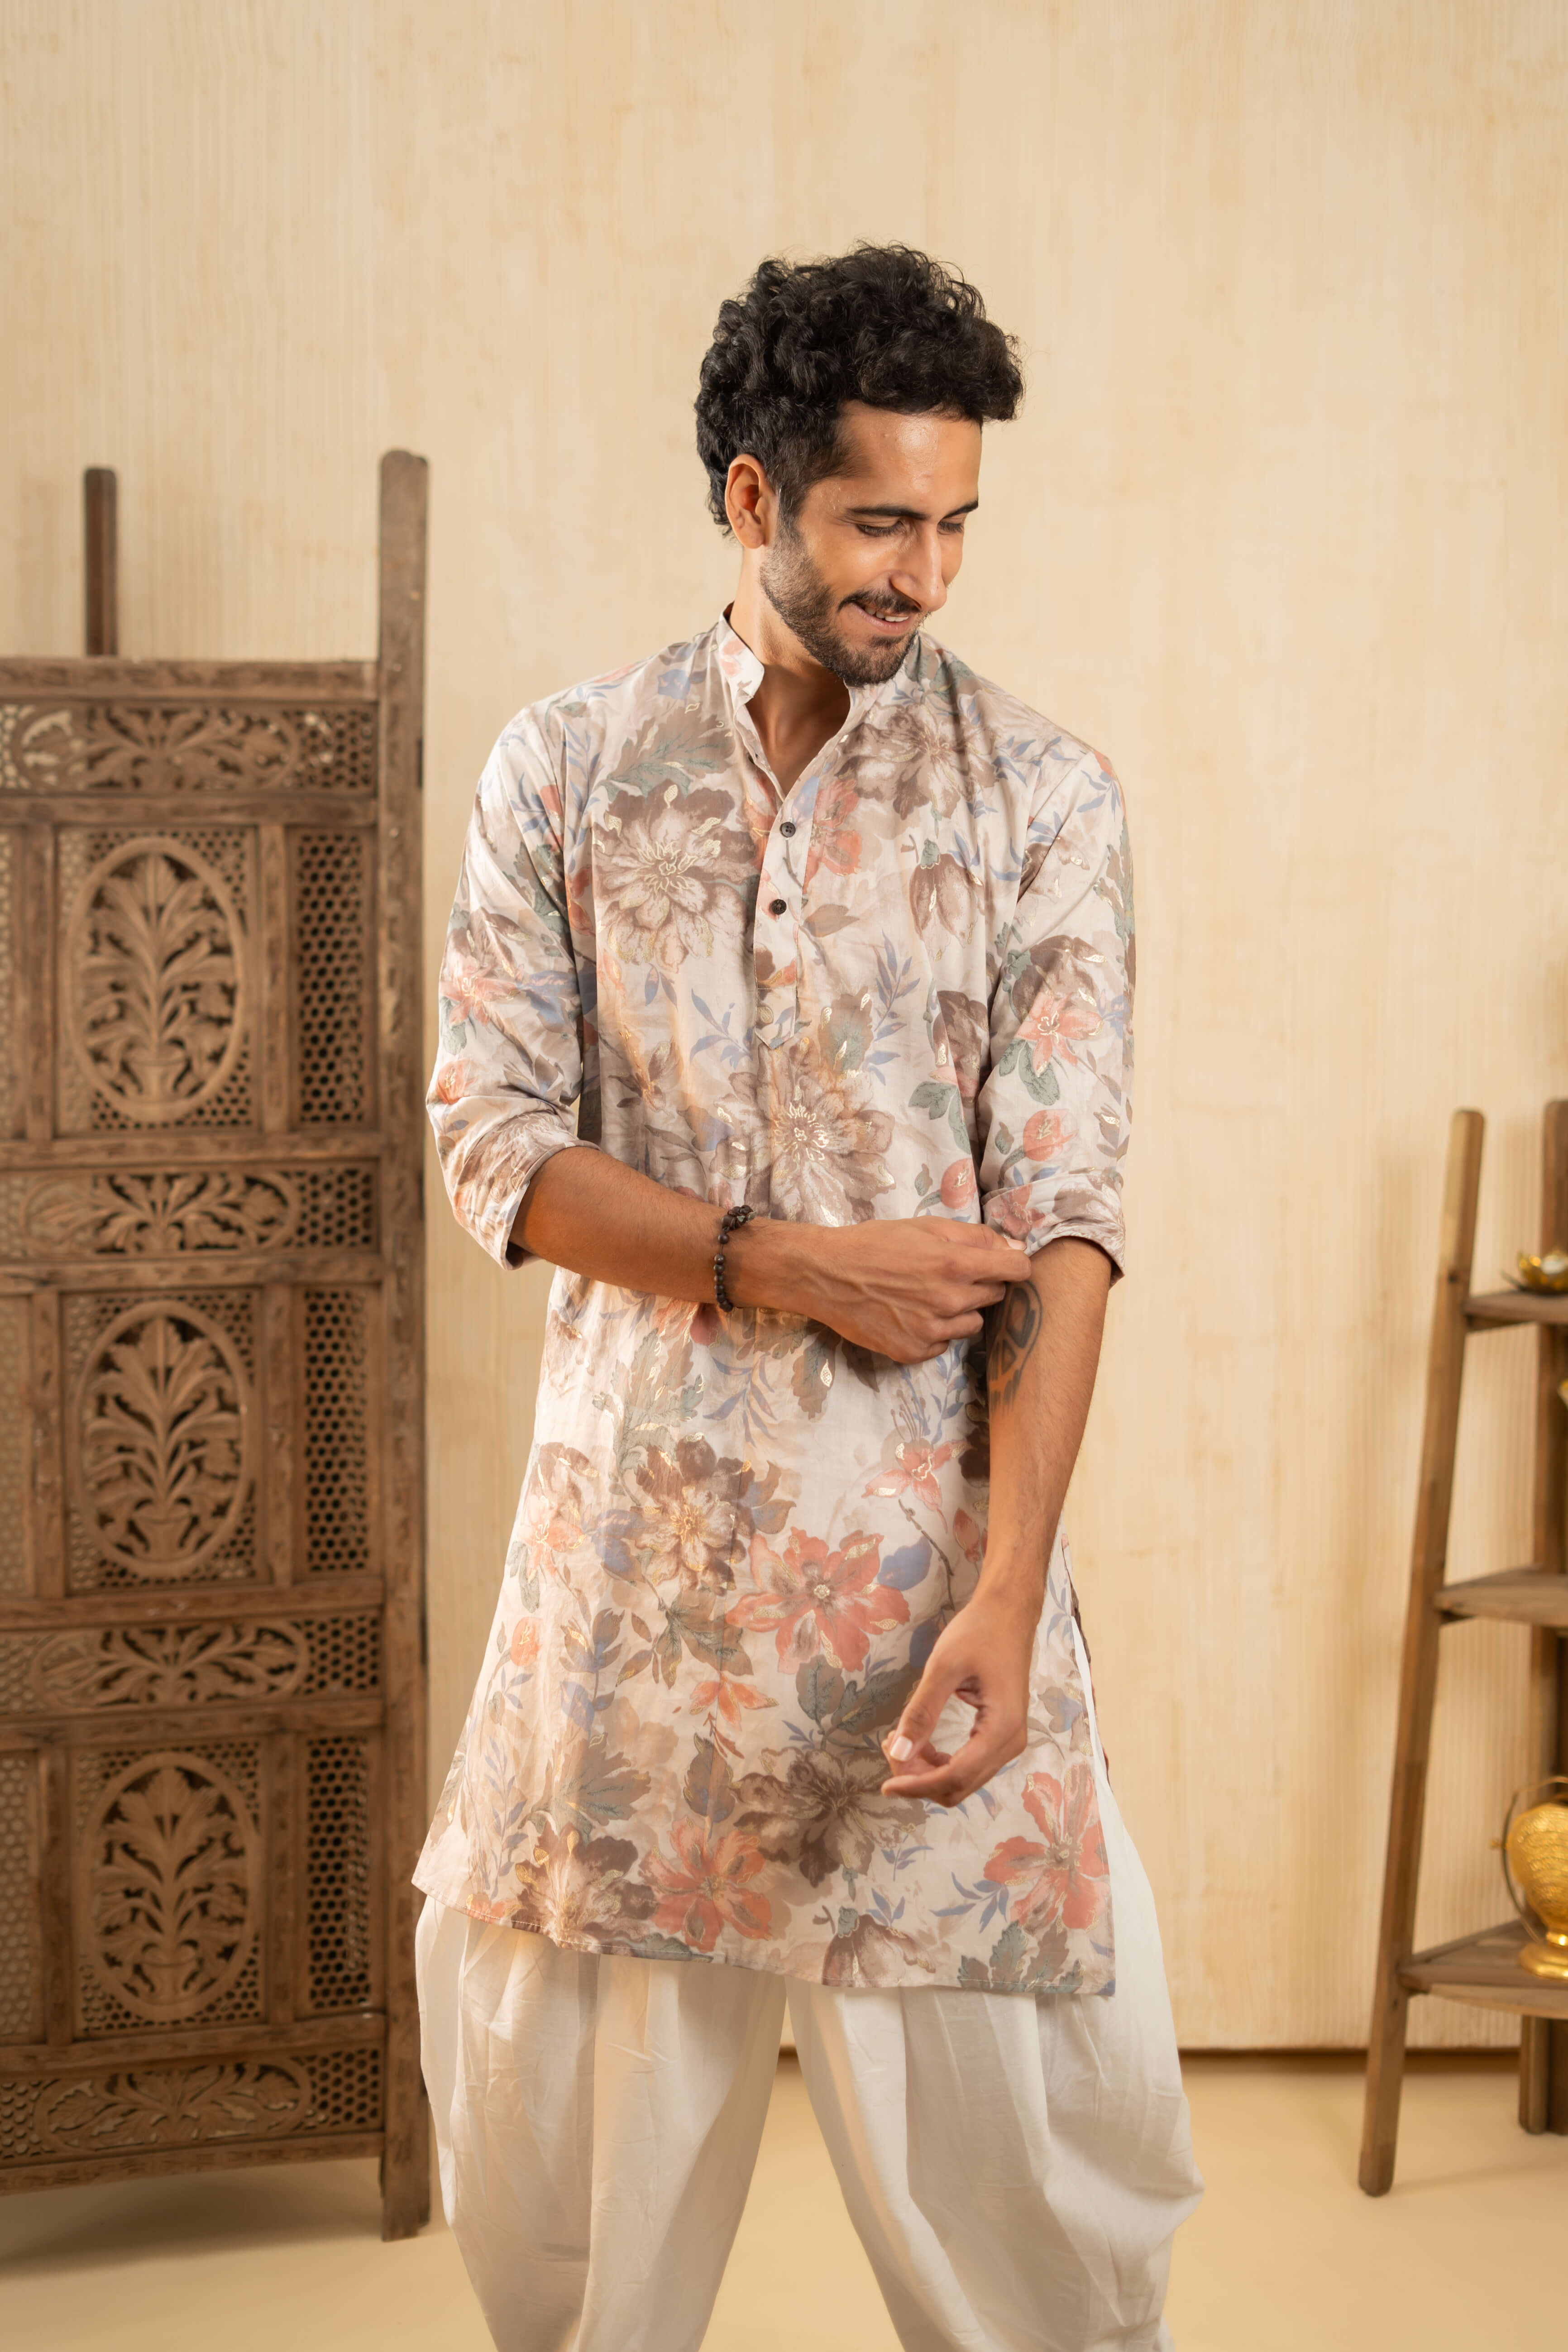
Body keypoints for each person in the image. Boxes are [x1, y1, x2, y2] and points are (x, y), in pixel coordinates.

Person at [415, 243, 1201, 2352]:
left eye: (953, 526)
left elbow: (1064, 1220)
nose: (920, 576)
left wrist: (1009, 1595)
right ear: (751, 497)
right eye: (876, 522)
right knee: (563, 2205)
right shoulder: (566, 771)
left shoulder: (1040, 799)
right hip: (630, 1596)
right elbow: (490, 1145)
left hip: (918, 1592)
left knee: (1035, 2201)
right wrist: (790, 1265)